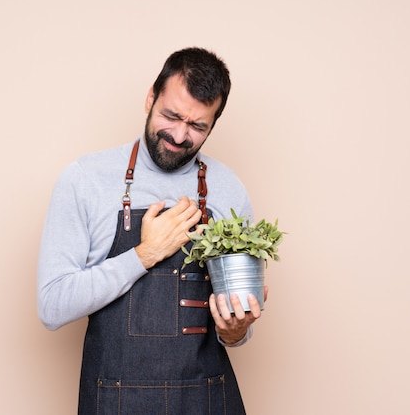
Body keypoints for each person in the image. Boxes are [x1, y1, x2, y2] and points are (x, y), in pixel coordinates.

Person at [38, 47, 266, 414]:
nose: (179, 135)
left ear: (213, 124)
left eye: (197, 126)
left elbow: (236, 329)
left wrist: (236, 331)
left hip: (204, 399)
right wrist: (144, 254)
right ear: (150, 97)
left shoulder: (228, 189)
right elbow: (52, 306)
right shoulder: (85, 180)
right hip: (115, 400)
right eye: (171, 115)